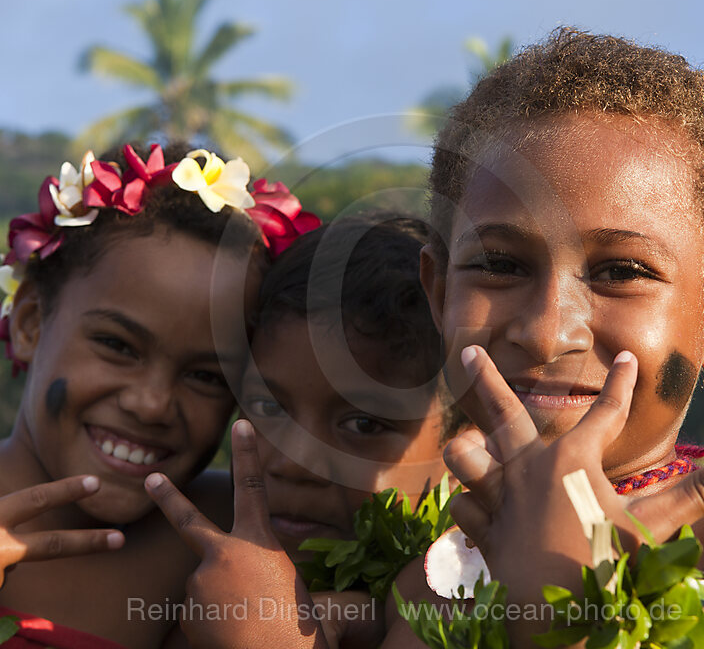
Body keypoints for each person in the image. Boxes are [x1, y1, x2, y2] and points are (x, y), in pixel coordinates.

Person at [413, 28, 704, 646]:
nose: (548, 333)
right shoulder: (409, 556)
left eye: (621, 272)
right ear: (440, 293)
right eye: (500, 264)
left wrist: (563, 621)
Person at [0, 142, 317, 648]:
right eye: (117, 345)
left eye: (207, 377)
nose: (151, 403)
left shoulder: (235, 540)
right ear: (30, 322)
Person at [144, 215, 467, 649]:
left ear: (465, 448)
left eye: (364, 424)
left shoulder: (484, 605)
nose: (292, 462)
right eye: (268, 406)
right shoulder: (176, 576)